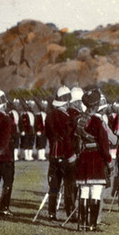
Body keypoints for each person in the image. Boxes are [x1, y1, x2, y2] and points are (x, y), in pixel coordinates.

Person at [73, 87, 113, 230]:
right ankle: (92, 225)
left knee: (84, 190)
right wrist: (109, 161)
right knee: (96, 191)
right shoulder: (97, 121)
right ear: (96, 105)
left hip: (83, 157)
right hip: (96, 158)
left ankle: (82, 224)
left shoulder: (78, 120)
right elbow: (104, 144)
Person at [44, 86, 76, 221]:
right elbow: (68, 139)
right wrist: (70, 155)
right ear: (67, 101)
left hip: (53, 154)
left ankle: (51, 213)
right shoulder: (67, 117)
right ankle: (70, 213)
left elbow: (48, 135)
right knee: (69, 186)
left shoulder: (49, 116)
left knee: (54, 186)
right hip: (65, 155)